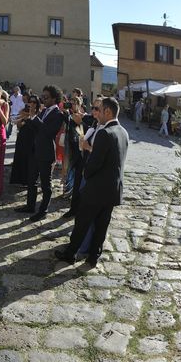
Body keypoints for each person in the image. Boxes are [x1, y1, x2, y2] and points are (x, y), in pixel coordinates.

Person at [55, 97, 129, 267]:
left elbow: (94, 163)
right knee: (102, 225)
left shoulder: (104, 133)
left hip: (96, 189)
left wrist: (85, 174)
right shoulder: (123, 132)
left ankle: (70, 253)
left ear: (108, 112)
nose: (97, 114)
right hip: (113, 189)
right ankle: (93, 257)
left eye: (100, 109)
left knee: (82, 222)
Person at [15, 85, 66, 222]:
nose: (43, 99)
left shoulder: (58, 114)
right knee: (31, 181)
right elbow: (36, 128)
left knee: (45, 184)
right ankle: (30, 206)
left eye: (46, 97)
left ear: (54, 99)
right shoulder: (44, 112)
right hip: (35, 151)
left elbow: (49, 132)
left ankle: (43, 210)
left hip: (46, 153)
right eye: (42, 96)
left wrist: (34, 118)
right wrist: (26, 120)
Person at [9, 95, 40, 186]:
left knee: (29, 159)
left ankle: (27, 180)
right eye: (31, 101)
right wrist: (23, 118)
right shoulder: (24, 110)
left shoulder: (40, 112)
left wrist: (29, 116)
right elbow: (18, 125)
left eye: (34, 102)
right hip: (22, 136)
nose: (32, 104)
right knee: (20, 156)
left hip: (32, 139)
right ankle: (18, 180)